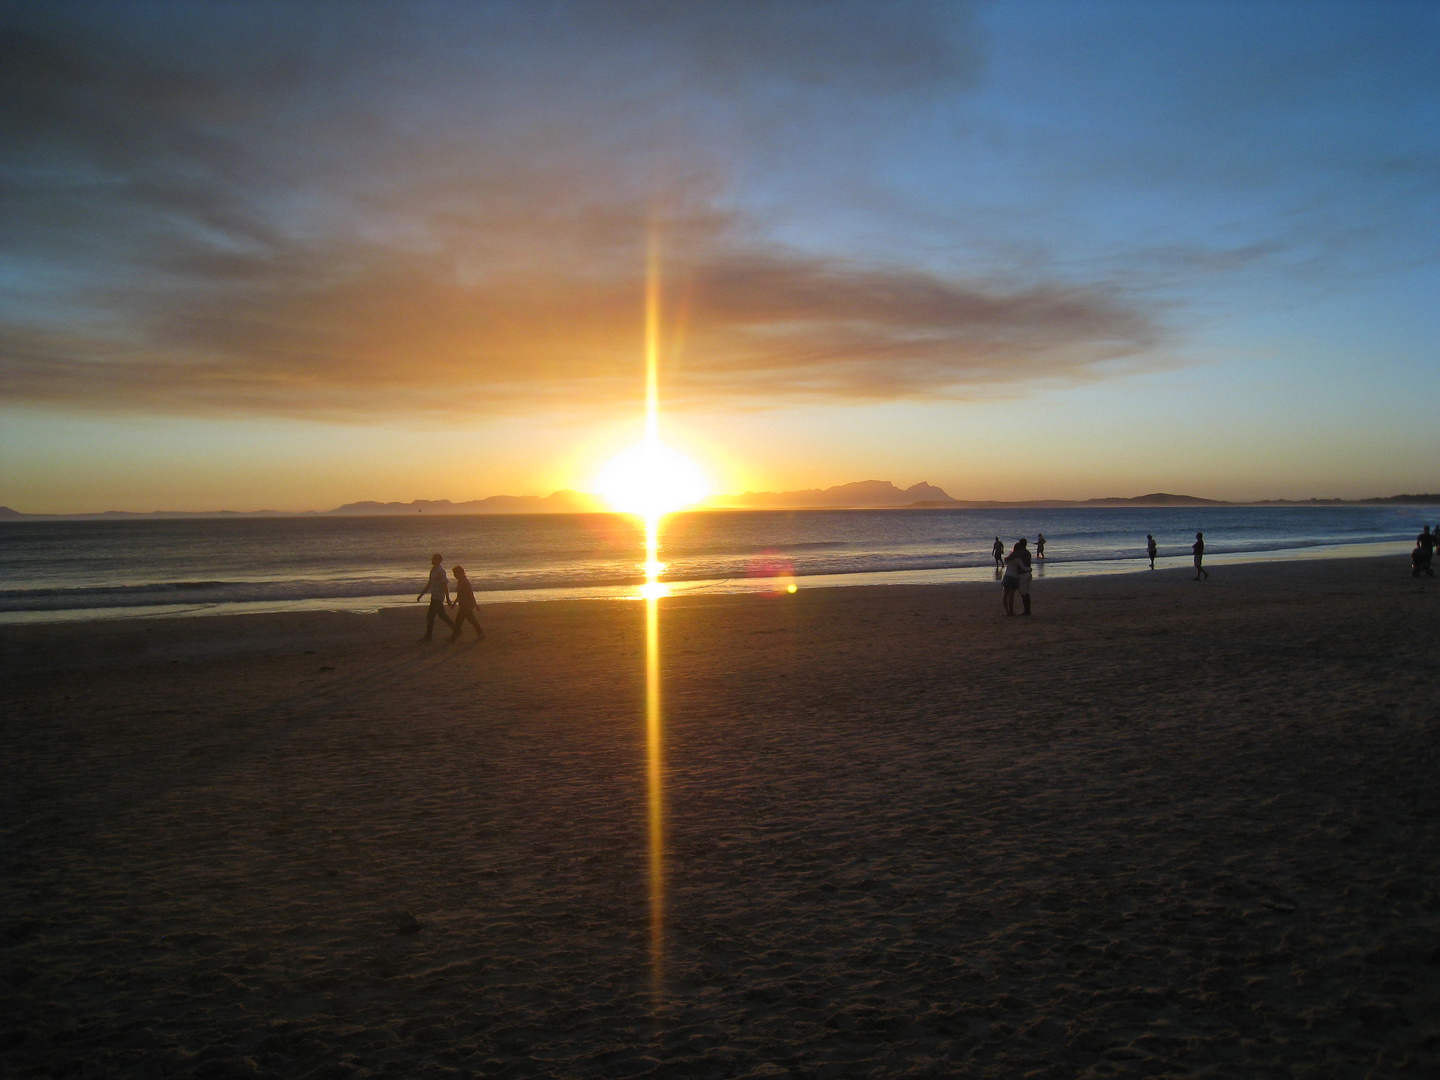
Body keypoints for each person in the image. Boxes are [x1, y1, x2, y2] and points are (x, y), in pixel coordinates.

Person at [416, 553, 454, 641]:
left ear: (438, 560)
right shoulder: (433, 570)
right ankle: (456, 629)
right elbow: (430, 584)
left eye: (433, 559)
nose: (432, 560)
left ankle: (428, 636)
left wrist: (448, 598)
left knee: (430, 616)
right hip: (434, 595)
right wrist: (421, 595)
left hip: (438, 596)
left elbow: (445, 585)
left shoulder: (440, 571)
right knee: (442, 615)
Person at [448, 565, 485, 641]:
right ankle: (480, 633)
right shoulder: (461, 581)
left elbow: (470, 594)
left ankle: (453, 638)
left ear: (460, 573)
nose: (455, 575)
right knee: (470, 619)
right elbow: (459, 594)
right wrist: (454, 603)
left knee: (459, 621)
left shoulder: (465, 582)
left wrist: (476, 605)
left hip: (466, 605)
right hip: (464, 604)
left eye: (456, 573)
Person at [1001, 538, 1033, 616]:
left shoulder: (1018, 553)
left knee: (1022, 593)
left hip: (1021, 574)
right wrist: (1030, 569)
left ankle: (1025, 611)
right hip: (1027, 574)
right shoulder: (1028, 553)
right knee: (1026, 593)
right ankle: (1027, 610)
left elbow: (1008, 558)